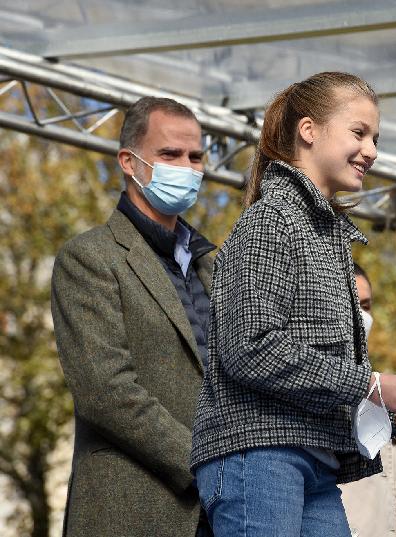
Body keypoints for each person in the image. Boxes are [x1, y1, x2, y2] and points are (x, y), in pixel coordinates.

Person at [190, 72, 396, 537]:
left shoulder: (325, 236)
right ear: (308, 131)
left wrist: (390, 414)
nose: (371, 150)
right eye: (359, 133)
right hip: (259, 457)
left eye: (375, 137)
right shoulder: (271, 220)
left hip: (313, 459)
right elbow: (249, 348)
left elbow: (314, 375)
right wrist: (370, 384)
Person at [51, 97, 214, 536]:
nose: (187, 166)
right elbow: (106, 391)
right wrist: (207, 463)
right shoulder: (89, 257)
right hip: (134, 510)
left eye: (195, 156)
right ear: (129, 161)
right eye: (170, 154)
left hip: (225, 514)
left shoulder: (213, 265)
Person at [339, 263, 396, 537]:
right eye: (351, 303)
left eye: (366, 305)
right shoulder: (307, 389)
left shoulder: (384, 393)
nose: (361, 315)